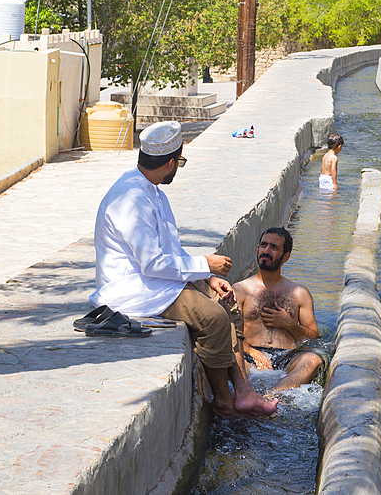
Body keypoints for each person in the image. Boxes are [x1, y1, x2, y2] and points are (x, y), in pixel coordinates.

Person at [91, 120, 277, 418]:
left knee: (227, 302)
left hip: (156, 280)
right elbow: (152, 263)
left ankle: (243, 391)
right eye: (180, 162)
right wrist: (204, 264)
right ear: (169, 163)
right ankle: (224, 401)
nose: (178, 168)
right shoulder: (132, 199)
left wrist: (208, 277)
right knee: (214, 318)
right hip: (135, 290)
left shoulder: (152, 192)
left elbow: (171, 251)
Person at [234, 227, 327, 391]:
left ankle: (272, 397)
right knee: (232, 360)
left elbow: (313, 338)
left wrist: (289, 324)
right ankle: (253, 396)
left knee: (313, 361)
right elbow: (230, 335)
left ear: (286, 257)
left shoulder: (300, 293)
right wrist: (253, 353)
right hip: (251, 356)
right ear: (257, 249)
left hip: (288, 357)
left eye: (274, 247)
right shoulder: (240, 290)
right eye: (263, 245)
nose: (266, 251)